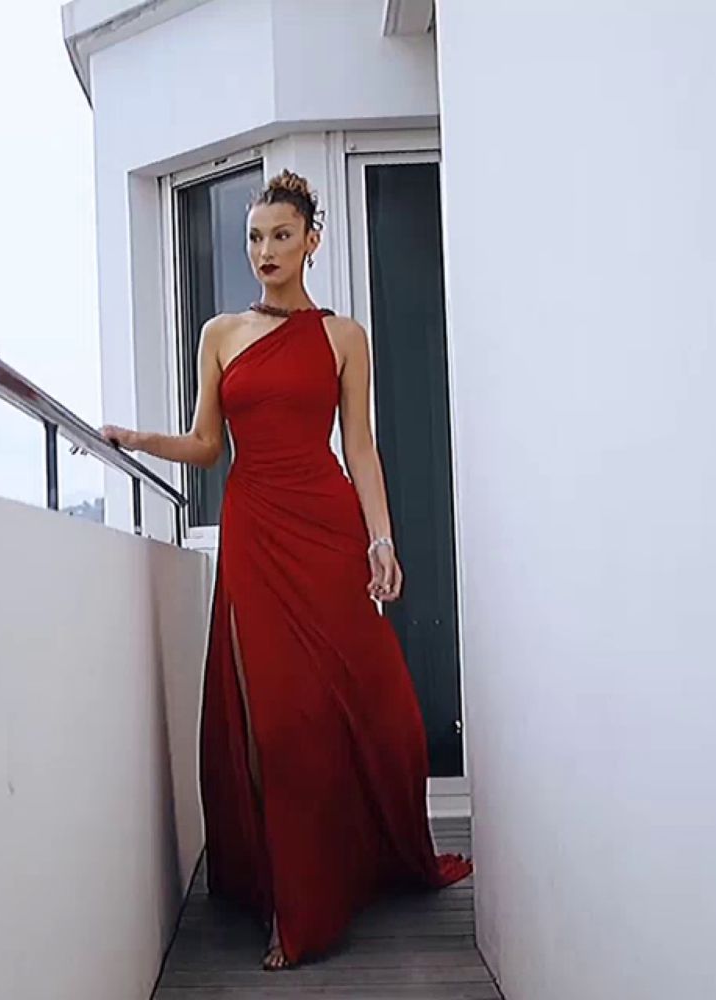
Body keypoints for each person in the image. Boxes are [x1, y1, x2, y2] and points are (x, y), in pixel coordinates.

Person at [80, 169, 472, 970]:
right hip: (255, 531)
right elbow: (206, 446)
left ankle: (365, 857)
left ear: (312, 243)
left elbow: (359, 447)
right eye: (255, 236)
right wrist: (137, 440)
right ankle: (293, 903)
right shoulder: (220, 333)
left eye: (281, 236)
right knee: (276, 720)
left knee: (378, 703)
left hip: (328, 529)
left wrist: (381, 540)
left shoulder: (343, 338)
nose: (264, 250)